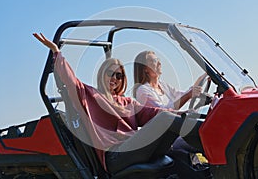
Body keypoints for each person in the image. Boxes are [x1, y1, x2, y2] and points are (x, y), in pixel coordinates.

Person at [33, 33, 196, 174]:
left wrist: (183, 114)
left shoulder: (127, 102)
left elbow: (153, 113)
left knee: (178, 139)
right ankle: (217, 152)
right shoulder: (91, 96)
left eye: (119, 76)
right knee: (167, 119)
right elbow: (71, 82)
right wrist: (56, 52)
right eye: (110, 73)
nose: (114, 79)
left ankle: (214, 159)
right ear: (102, 74)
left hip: (134, 148)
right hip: (115, 155)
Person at [133, 50, 208, 166]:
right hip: (163, 139)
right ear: (145, 69)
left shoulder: (163, 86)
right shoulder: (143, 91)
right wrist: (188, 97)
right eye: (154, 61)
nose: (159, 63)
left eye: (158, 60)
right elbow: (163, 113)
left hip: (174, 132)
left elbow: (182, 94)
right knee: (202, 138)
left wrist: (205, 75)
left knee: (205, 133)